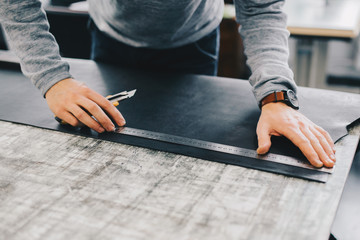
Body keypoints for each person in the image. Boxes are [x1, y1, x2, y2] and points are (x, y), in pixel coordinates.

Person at [0, 0, 336, 168]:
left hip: (194, 40)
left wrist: (275, 95)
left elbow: (261, 8)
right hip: (110, 34)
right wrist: (52, 80)